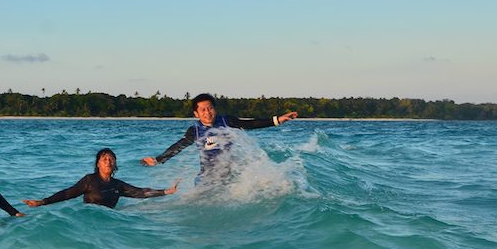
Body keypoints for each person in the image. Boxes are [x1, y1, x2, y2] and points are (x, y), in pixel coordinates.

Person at [141, 93, 298, 180]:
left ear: (215, 109)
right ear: (196, 113)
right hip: (206, 177)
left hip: (229, 175)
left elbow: (251, 124)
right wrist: (158, 160)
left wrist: (278, 120)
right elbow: (178, 147)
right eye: (203, 110)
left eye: (210, 108)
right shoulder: (195, 131)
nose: (207, 113)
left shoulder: (227, 121)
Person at [23, 148, 178, 210]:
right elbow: (68, 193)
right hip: (89, 218)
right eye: (104, 159)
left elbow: (140, 193)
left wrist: (166, 191)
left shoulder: (117, 185)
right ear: (98, 164)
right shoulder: (89, 180)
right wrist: (43, 202)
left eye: (111, 159)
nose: (108, 162)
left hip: (109, 219)